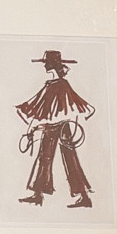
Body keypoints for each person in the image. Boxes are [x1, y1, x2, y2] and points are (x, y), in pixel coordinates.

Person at [17, 49, 95, 208]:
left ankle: (82, 197)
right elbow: (42, 108)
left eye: (46, 63)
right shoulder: (52, 84)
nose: (44, 66)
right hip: (56, 127)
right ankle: (39, 194)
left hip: (58, 127)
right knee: (51, 159)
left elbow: (51, 110)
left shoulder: (59, 85)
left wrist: (35, 126)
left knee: (62, 159)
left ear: (52, 65)